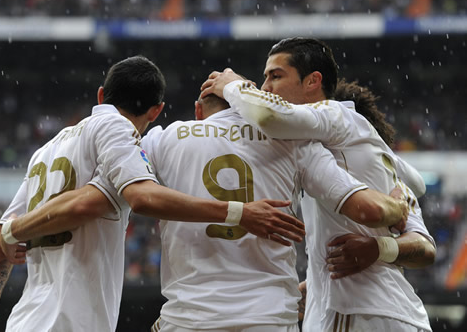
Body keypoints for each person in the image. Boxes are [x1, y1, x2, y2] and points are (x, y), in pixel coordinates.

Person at [0, 55, 307, 332]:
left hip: (27, 319)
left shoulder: (46, 151)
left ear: (101, 94)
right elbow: (112, 200)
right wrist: (239, 212)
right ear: (156, 110)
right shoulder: (118, 131)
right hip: (75, 320)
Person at [201, 37, 435, 331]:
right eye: (264, 78)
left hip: (356, 311)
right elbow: (420, 217)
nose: (265, 88)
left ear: (313, 81)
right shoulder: (369, 157)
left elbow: (269, 115)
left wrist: (233, 85)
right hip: (396, 312)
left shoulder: (336, 116)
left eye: (275, 76)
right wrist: (316, 280)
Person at [140, 91, 407, 332]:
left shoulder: (161, 139)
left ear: (199, 111)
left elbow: (139, 195)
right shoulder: (292, 142)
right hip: (270, 315)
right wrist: (399, 203)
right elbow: (367, 208)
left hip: (190, 316)